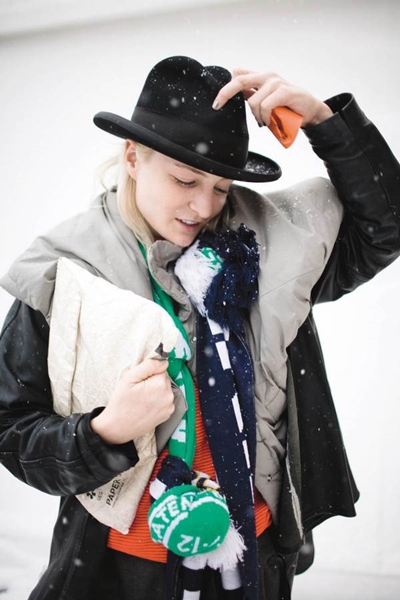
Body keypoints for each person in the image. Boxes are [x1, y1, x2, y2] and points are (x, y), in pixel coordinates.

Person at [0, 55, 399, 600]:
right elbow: (11, 427)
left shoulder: (268, 248)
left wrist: (323, 121)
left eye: (220, 187)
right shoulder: (69, 274)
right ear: (133, 157)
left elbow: (384, 228)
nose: (203, 205)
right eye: (185, 179)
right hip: (122, 572)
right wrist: (104, 432)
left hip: (254, 558)